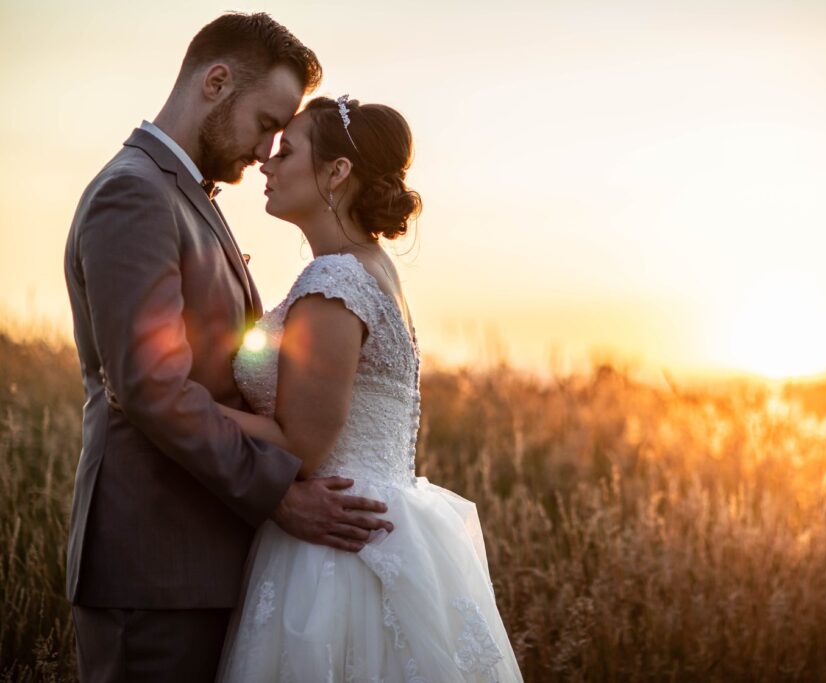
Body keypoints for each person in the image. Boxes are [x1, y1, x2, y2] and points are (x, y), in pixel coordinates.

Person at [63, 14, 392, 682]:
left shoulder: (185, 197)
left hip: (198, 563)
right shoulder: (136, 194)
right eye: (267, 121)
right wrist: (279, 494)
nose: (267, 148)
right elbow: (149, 385)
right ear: (216, 83)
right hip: (153, 568)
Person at [214, 95, 523, 682]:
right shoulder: (369, 268)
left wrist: (186, 406)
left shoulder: (334, 281)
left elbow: (298, 443)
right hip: (378, 527)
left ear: (337, 172)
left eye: (287, 151)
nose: (266, 165)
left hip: (334, 550)